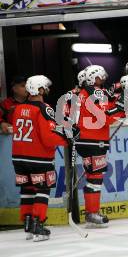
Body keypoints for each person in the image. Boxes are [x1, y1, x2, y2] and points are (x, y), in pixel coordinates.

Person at [11, 75, 78, 241]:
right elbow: (48, 138)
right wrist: (67, 140)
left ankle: (28, 225)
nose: (46, 90)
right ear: (39, 89)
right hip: (38, 157)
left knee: (27, 190)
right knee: (42, 189)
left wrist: (61, 130)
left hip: (18, 158)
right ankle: (38, 226)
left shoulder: (18, 108)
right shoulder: (43, 108)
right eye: (44, 88)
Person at [75, 65, 116, 227]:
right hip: (92, 140)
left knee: (93, 176)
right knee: (95, 178)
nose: (103, 79)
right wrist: (120, 110)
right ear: (93, 78)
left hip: (86, 140)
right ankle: (92, 214)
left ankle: (92, 213)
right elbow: (104, 118)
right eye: (100, 76)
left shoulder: (83, 93)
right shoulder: (93, 93)